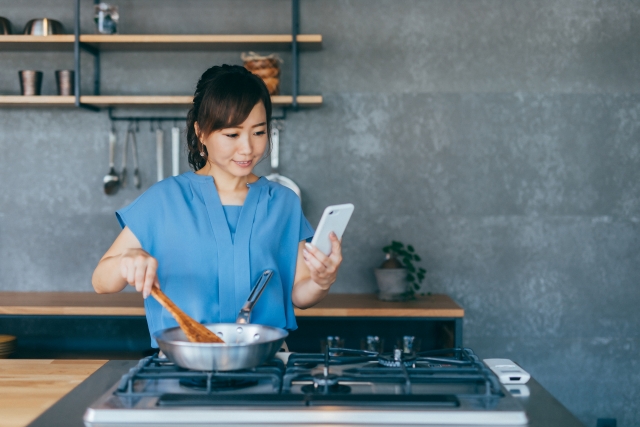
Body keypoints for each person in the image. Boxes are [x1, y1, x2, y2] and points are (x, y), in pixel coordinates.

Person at [92, 65, 343, 346]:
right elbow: (101, 282)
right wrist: (127, 261)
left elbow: (300, 294)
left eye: (258, 132)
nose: (247, 148)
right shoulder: (164, 200)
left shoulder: (283, 202)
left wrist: (322, 281)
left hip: (265, 361)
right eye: (232, 135)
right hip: (183, 362)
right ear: (201, 132)